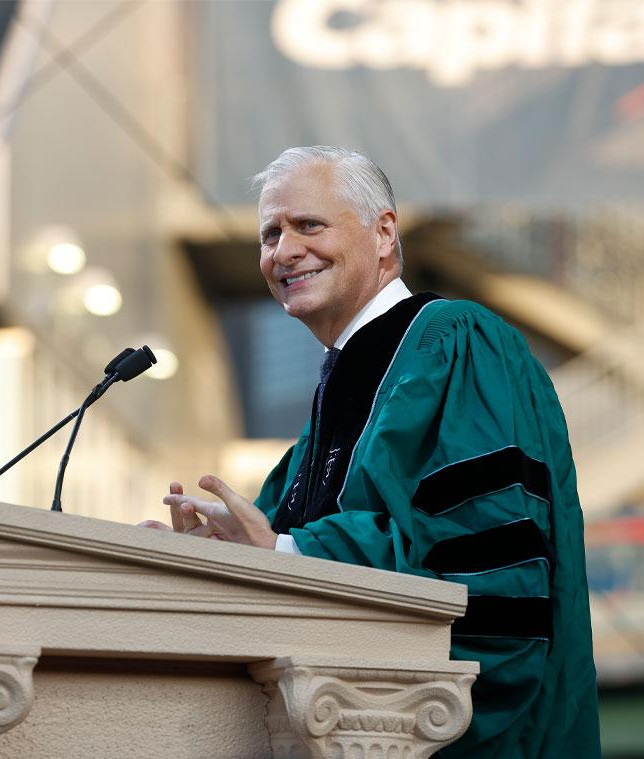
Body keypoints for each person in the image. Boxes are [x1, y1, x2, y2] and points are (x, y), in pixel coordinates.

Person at [142, 146, 600, 758]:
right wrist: (215, 560)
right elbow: (280, 556)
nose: (284, 251)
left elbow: (491, 578)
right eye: (269, 233)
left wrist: (283, 552)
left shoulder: (460, 345)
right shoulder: (332, 406)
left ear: (384, 233)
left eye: (309, 225)